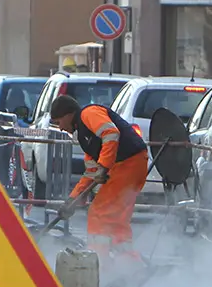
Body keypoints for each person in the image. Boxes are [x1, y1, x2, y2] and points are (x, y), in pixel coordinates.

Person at [50, 94, 148, 259]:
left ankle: (98, 262)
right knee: (117, 219)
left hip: (127, 165)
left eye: (59, 122)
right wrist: (72, 200)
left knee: (98, 213)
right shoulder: (84, 135)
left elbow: (111, 133)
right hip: (133, 163)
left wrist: (103, 167)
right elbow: (90, 173)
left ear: (68, 114)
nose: (60, 128)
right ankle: (128, 263)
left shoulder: (89, 114)